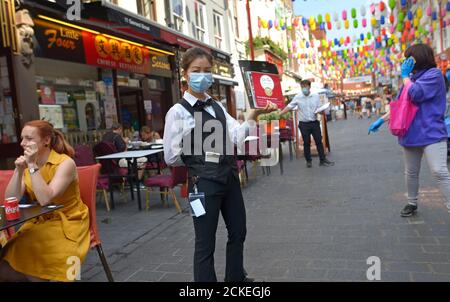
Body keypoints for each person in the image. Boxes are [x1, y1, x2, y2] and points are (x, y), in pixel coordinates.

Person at [163, 47, 277, 282]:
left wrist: (253, 116)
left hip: (228, 178)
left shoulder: (218, 106)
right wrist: (199, 142)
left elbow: (236, 136)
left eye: (207, 71)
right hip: (201, 185)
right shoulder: (178, 112)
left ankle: (235, 278)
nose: (202, 76)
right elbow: (171, 157)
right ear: (185, 74)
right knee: (205, 241)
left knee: (238, 231)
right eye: (196, 71)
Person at [0, 120, 90, 281]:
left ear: (46, 140)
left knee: (50, 254)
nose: (22, 143)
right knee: (8, 257)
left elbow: (45, 199)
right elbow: (10, 199)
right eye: (22, 138)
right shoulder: (28, 166)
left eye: (28, 138)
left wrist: (32, 165)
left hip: (69, 220)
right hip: (40, 219)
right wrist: (19, 171)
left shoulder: (65, 163)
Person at [368, 43, 450, 217]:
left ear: (419, 58)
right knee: (411, 172)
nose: (406, 62)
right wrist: (381, 120)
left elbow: (416, 93)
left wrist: (406, 77)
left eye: (409, 58)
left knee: (439, 170)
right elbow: (401, 106)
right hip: (411, 133)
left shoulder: (434, 75)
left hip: (431, 133)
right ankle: (412, 202)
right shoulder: (411, 78)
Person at [279, 79, 335, 168]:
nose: (304, 89)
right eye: (302, 87)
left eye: (305, 87)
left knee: (318, 141)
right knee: (306, 142)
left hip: (314, 123)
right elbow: (289, 106)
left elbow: (319, 108)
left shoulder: (316, 96)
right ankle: (308, 161)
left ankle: (322, 160)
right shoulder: (298, 97)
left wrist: (321, 111)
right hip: (304, 124)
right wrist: (280, 114)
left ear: (309, 87)